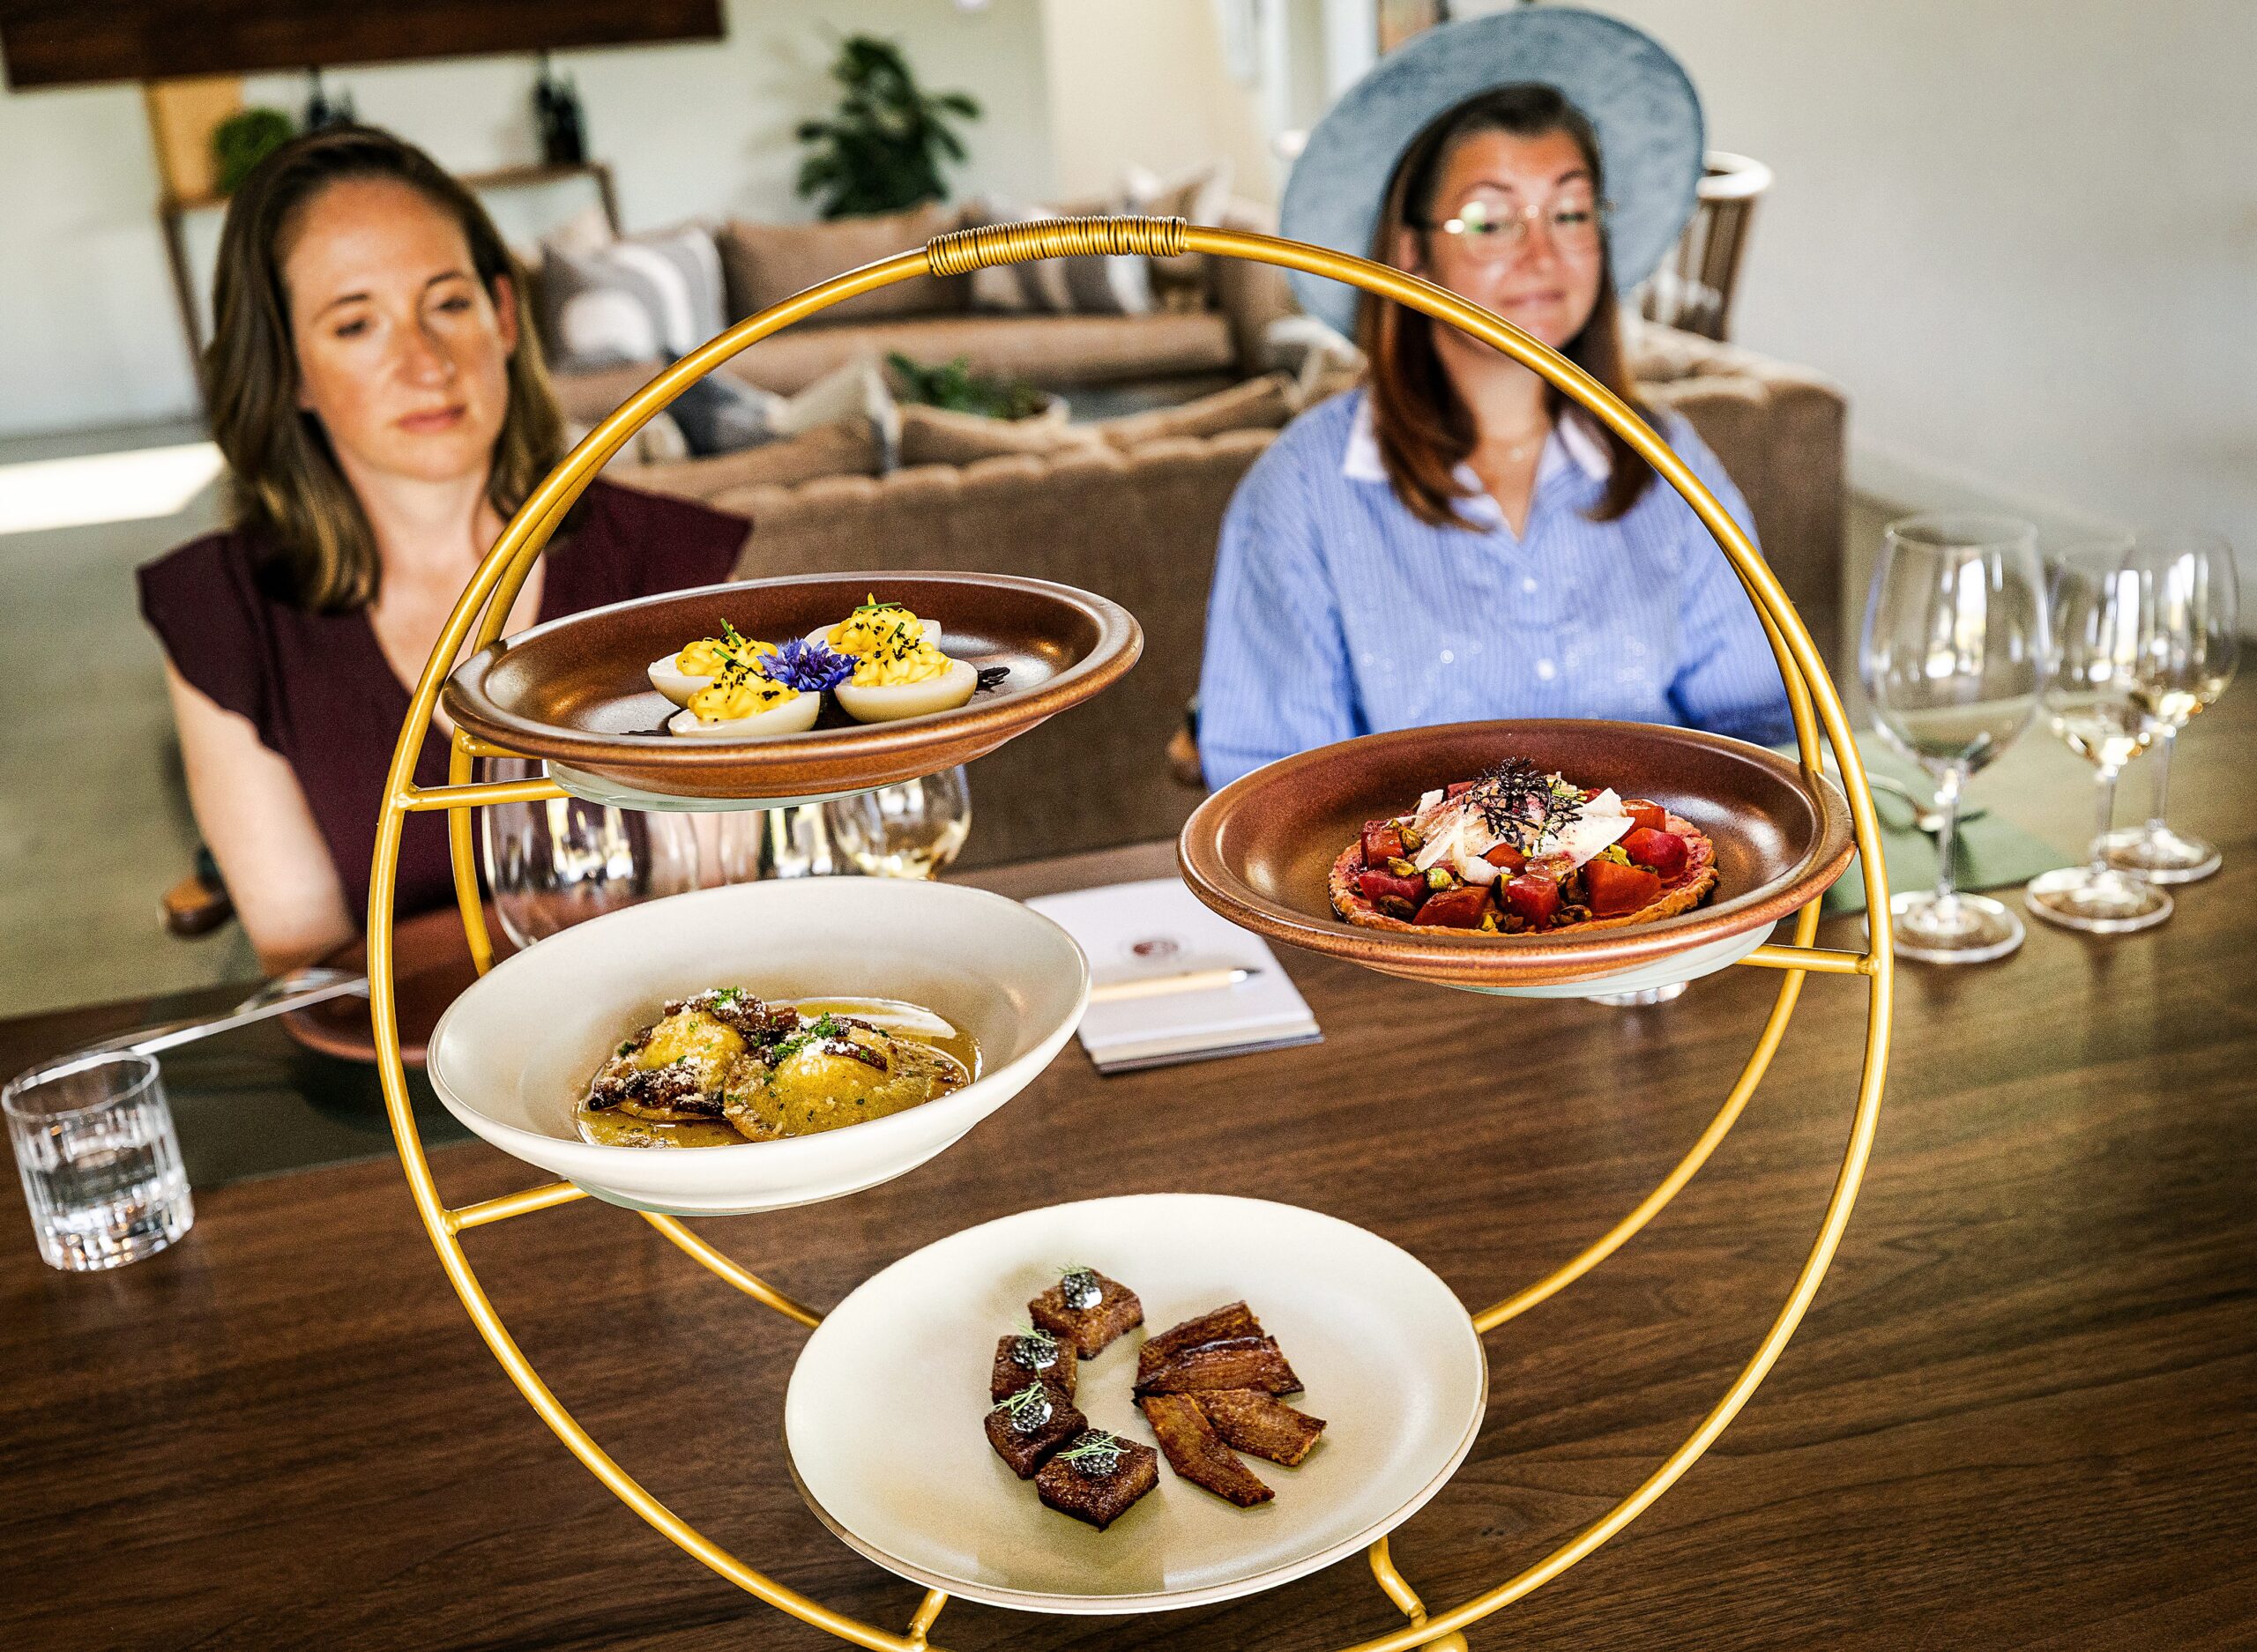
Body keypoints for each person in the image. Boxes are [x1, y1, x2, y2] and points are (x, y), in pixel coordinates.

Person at [138, 127, 748, 971]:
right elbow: (313, 968)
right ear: (289, 370)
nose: (425, 362)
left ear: (502, 315)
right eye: (356, 324)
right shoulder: (225, 615)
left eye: (449, 303)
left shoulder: (671, 562)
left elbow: (720, 905)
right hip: (399, 1080)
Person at [1197, 10, 1793, 789]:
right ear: (1411, 253)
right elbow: (1270, 794)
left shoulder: (1672, 462)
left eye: (1571, 212)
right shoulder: (1303, 493)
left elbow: (1760, 730)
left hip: (1664, 902)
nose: (1542, 254)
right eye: (1490, 219)